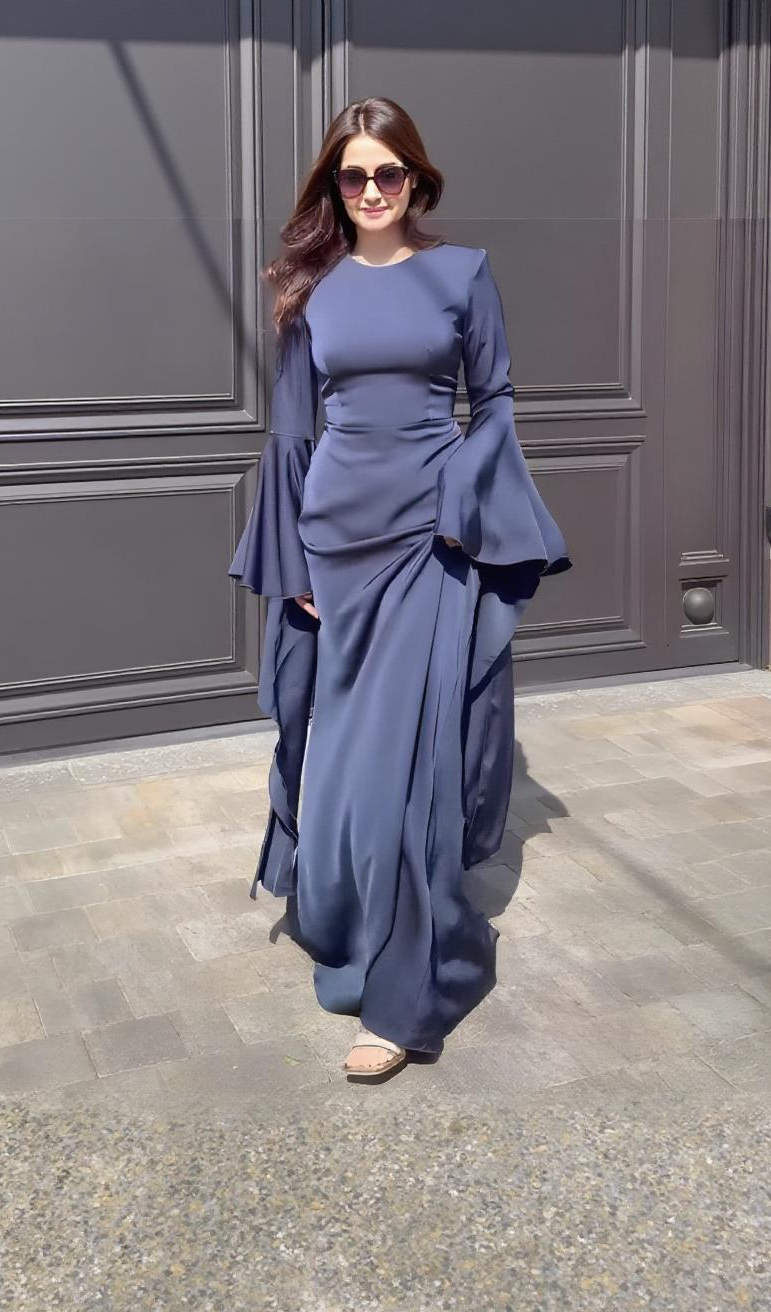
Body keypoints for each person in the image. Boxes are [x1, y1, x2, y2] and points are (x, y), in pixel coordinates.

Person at [229, 96, 572, 1082]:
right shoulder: (308, 286)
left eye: (388, 173)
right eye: (353, 175)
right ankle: (346, 913)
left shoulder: (462, 274)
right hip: (335, 541)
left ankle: (401, 994)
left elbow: (493, 400)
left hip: (429, 538)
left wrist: (465, 501)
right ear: (333, 185)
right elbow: (292, 431)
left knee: (408, 766)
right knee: (342, 762)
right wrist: (293, 561)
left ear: (416, 179)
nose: (371, 189)